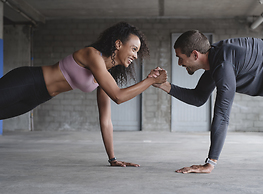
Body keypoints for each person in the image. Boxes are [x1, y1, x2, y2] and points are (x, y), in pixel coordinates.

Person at [0, 22, 167, 167]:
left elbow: (106, 120)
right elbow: (119, 96)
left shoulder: (106, 75)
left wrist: (113, 158)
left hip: (38, 97)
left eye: (137, 52)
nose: (135, 56)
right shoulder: (92, 55)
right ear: (118, 44)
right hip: (27, 81)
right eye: (133, 49)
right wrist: (150, 81)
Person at [153, 30, 263, 174]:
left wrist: (210, 163)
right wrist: (164, 86)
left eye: (180, 58)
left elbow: (222, 115)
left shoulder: (223, 64)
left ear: (195, 54)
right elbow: (198, 98)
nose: (179, 63)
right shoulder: (216, 60)